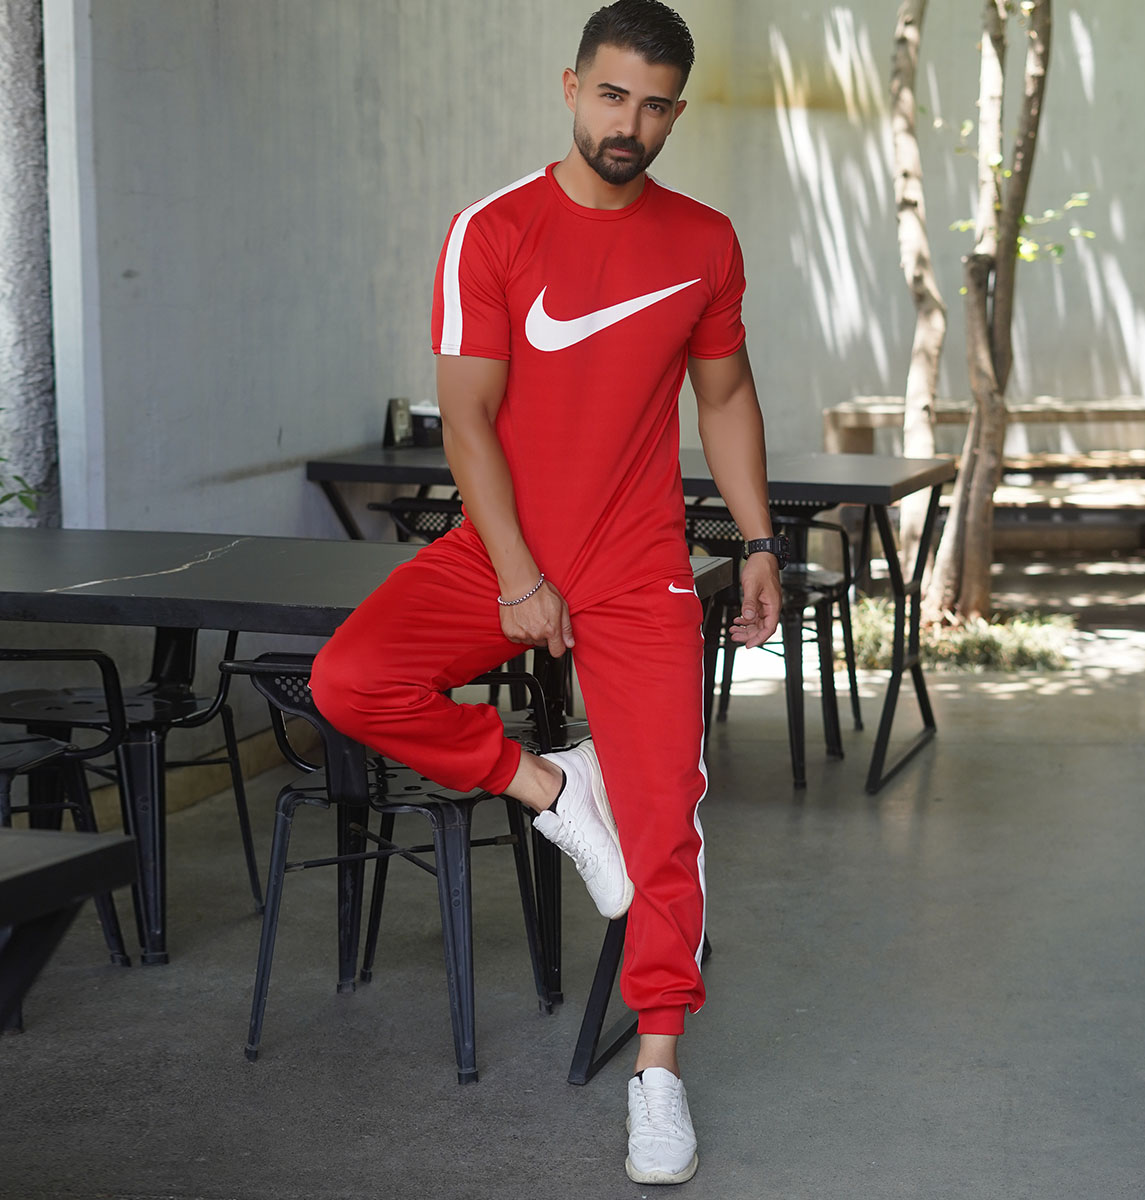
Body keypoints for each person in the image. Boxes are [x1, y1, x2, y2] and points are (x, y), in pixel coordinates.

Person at [310, 0, 784, 1184]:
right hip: (499, 551)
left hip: (637, 565)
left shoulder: (705, 242)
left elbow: (725, 396)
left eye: (655, 105)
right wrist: (519, 575)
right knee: (352, 679)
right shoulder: (494, 231)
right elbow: (466, 418)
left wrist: (760, 542)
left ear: (677, 111)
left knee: (666, 819)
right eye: (612, 95)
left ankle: (658, 1071)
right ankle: (550, 782)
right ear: (571, 87)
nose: (631, 123)